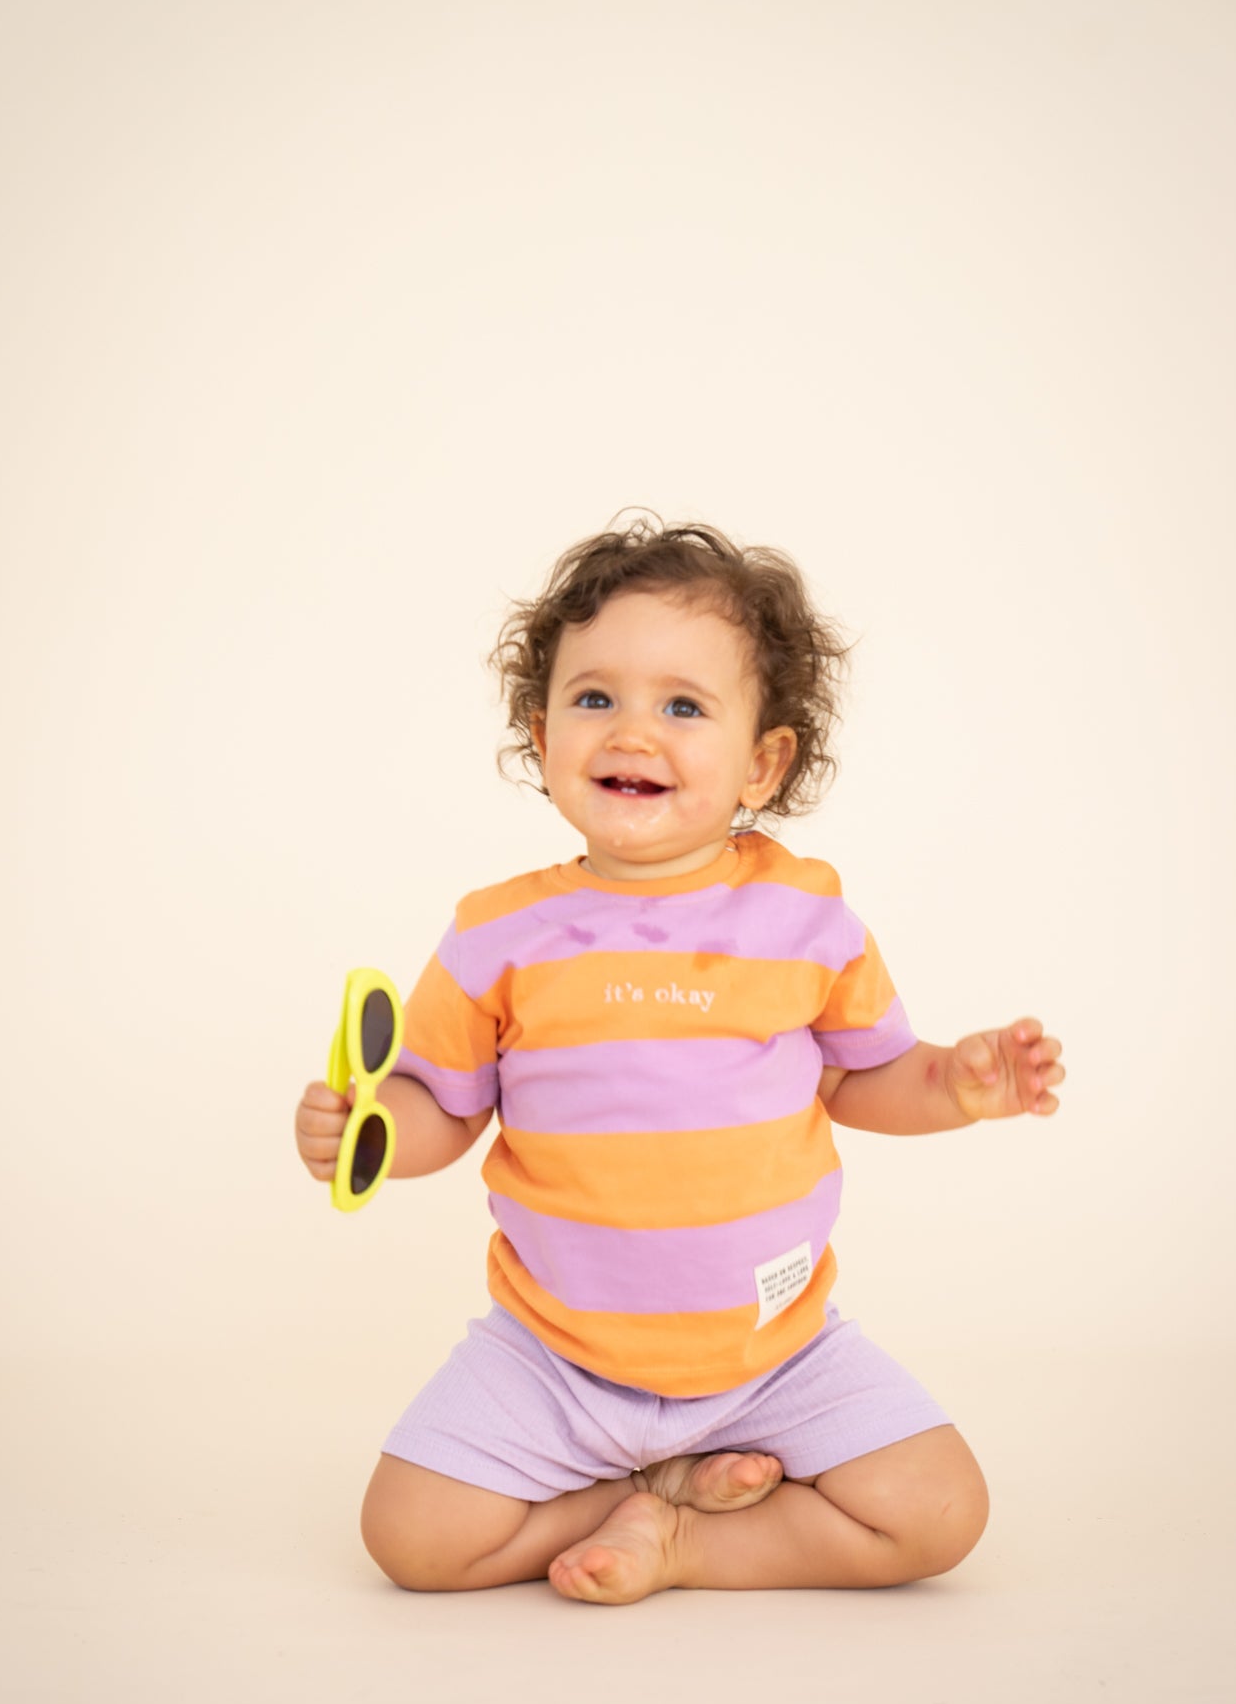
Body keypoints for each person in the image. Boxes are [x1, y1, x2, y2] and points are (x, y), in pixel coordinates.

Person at [294, 516, 1064, 1605]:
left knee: (942, 1513)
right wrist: (363, 1134)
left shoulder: (805, 915)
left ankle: (683, 1539)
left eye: (683, 706)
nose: (631, 732)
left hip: (774, 1356)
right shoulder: (496, 935)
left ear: (763, 760)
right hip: (553, 1355)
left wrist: (956, 1084)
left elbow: (860, 1077)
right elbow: (439, 1106)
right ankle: (647, 1485)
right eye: (594, 698)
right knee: (411, 1539)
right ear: (540, 728)